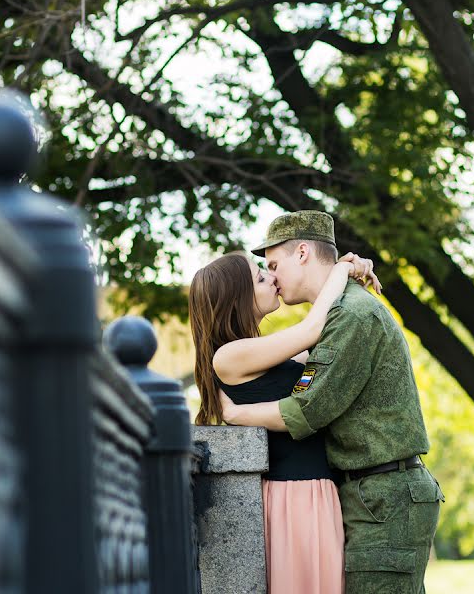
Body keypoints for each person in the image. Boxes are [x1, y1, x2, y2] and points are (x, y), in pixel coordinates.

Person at [219, 210, 444, 594]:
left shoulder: (352, 316)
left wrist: (235, 413)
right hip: (370, 496)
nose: (272, 276)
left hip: (385, 497)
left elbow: (307, 409)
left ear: (302, 252)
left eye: (274, 264)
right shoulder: (339, 314)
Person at [188, 248, 380, 594]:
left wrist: (350, 270)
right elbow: (312, 329)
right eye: (261, 276)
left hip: (315, 492)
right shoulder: (230, 355)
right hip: (294, 498)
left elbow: (316, 356)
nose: (272, 277)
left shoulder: (261, 351)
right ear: (239, 299)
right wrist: (340, 270)